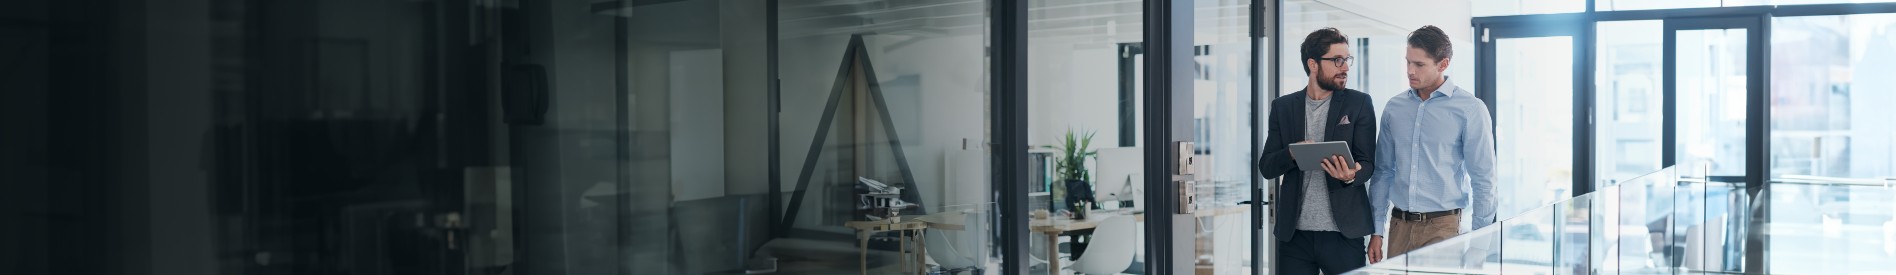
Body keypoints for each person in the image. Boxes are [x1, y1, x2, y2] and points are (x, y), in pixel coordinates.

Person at [1365, 25, 1497, 263]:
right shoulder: (1394, 108)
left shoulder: (1470, 109)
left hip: (1442, 228)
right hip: (1398, 226)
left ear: (1443, 64)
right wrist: (1377, 230)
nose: (1410, 71)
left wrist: (1480, 244)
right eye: (1408, 62)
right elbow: (1383, 172)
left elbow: (1484, 178)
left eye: (1419, 64)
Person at [1257, 27, 1378, 274]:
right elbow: (1267, 166)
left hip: (1344, 234)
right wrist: (1292, 153)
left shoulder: (1359, 103)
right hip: (1295, 236)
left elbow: (1368, 163)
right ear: (1313, 64)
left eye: (1347, 60)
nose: (1345, 67)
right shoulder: (1283, 107)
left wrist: (1352, 175)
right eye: (1337, 60)